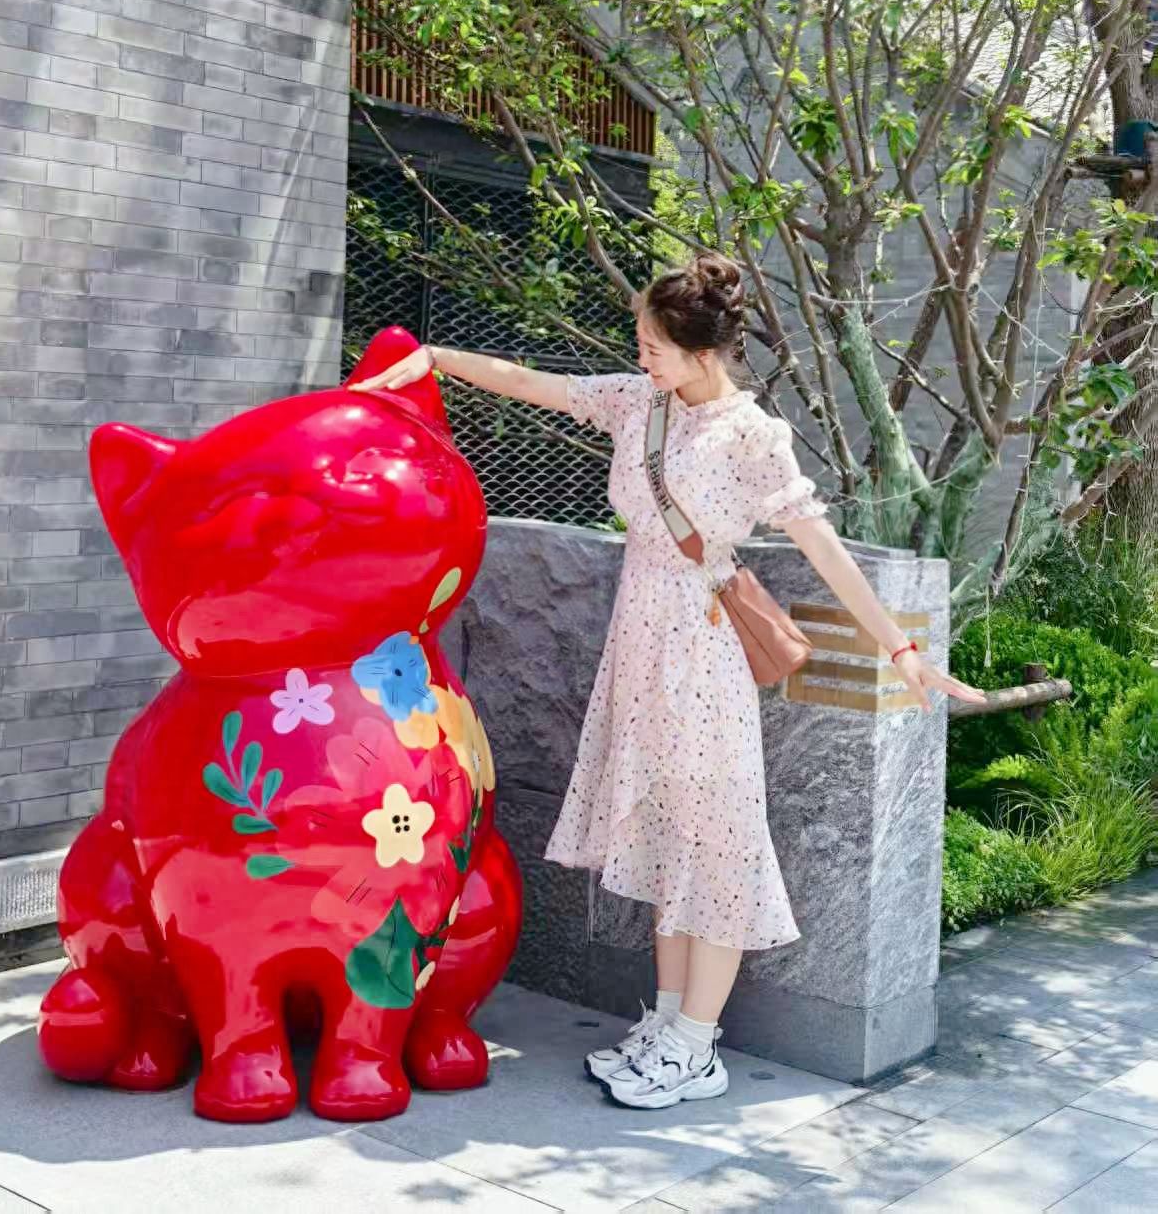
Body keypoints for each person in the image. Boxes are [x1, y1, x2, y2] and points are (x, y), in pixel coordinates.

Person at [352, 253, 985, 1111]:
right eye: (641, 342)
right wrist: (435, 359)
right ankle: (668, 1023)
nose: (640, 354)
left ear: (701, 352)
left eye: (653, 344)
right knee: (662, 839)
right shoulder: (636, 402)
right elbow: (534, 382)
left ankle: (696, 1044)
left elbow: (822, 549)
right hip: (639, 649)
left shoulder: (751, 436)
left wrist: (900, 653)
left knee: (715, 843)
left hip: (702, 652)